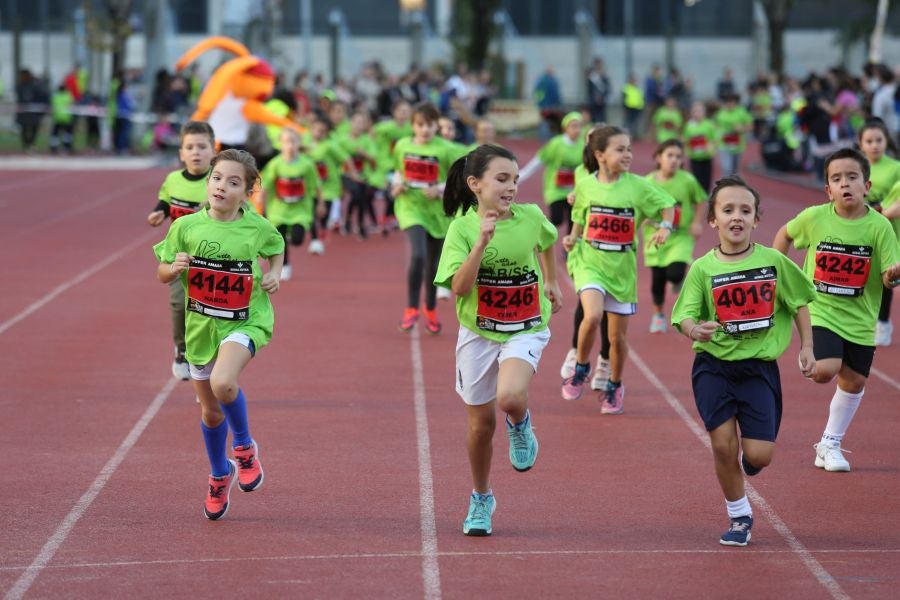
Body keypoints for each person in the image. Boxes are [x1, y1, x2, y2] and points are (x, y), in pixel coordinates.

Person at [672, 175, 816, 547]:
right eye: (728, 209)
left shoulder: (773, 261)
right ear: (713, 220)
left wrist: (807, 347)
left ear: (755, 220)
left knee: (758, 455)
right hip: (714, 366)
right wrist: (693, 330)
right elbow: (684, 314)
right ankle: (739, 516)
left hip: (758, 369)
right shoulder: (703, 268)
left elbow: (798, 302)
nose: (736, 217)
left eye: (745, 210)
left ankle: (751, 463)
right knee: (723, 444)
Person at [434, 144, 563, 536]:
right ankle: (481, 496)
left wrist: (553, 281)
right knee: (480, 427)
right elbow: (459, 288)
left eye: (515, 180)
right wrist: (480, 244)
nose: (512, 187)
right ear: (475, 184)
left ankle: (521, 422)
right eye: (502, 179)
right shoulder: (460, 228)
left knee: (509, 398)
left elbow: (546, 241)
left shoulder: (531, 216)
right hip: (478, 333)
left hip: (526, 325)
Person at [153, 149, 284, 521]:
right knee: (211, 414)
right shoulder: (187, 227)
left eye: (233, 182)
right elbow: (163, 272)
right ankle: (219, 473)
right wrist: (172, 266)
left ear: (247, 191)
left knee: (224, 382)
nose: (222, 186)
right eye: (216, 178)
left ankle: (244, 447)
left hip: (246, 320)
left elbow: (277, 249)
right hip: (201, 327)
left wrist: (274, 272)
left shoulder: (255, 227)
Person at [773, 148, 900, 472]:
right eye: (836, 179)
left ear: (867, 186)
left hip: (860, 317)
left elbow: (887, 276)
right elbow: (784, 235)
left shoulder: (880, 227)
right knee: (824, 370)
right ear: (828, 189)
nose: (845, 184)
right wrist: (779, 275)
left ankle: (829, 444)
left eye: (852, 177)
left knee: (855, 381)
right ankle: (815, 358)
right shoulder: (815, 218)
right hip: (821, 310)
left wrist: (892, 274)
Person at [560, 125, 675, 411]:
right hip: (590, 262)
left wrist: (666, 227)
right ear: (600, 154)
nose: (628, 155)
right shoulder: (586, 184)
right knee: (593, 314)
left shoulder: (637, 185)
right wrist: (574, 235)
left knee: (617, 338)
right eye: (620, 149)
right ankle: (581, 368)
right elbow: (579, 215)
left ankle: (614, 384)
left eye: (629, 149)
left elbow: (667, 205)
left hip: (622, 269)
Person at [147, 121, 217, 381]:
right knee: (179, 304)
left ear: (213, 150)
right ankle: (181, 348)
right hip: (178, 256)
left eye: (202, 146)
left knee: (207, 311)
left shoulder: (216, 181)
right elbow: (166, 199)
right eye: (190, 147)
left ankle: (207, 365)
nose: (196, 152)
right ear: (181, 153)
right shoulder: (173, 179)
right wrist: (159, 212)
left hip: (210, 258)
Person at [392, 102, 454, 334]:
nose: (425, 129)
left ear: (436, 126)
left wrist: (439, 188)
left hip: (437, 211)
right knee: (418, 255)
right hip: (410, 207)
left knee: (433, 265)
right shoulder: (402, 145)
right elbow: (398, 170)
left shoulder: (445, 149)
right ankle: (410, 309)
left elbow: (457, 179)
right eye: (420, 125)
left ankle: (431, 309)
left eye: (429, 125)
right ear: (413, 126)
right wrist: (397, 185)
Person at [644, 140, 707, 333]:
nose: (674, 160)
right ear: (658, 158)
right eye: (669, 155)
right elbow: (637, 204)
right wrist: (642, 218)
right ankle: (658, 314)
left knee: (675, 273)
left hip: (680, 236)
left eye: (678, 157)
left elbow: (701, 200)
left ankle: (678, 279)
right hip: (654, 237)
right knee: (657, 280)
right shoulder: (648, 182)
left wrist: (697, 222)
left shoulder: (687, 180)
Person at [856, 119, 900, 345]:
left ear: (886, 141)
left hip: (890, 232)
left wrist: (886, 212)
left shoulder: (895, 168)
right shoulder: (856, 168)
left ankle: (883, 323)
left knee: (887, 277)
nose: (874, 145)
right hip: (861, 232)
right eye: (869, 141)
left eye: (879, 140)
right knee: (862, 277)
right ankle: (867, 319)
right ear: (861, 144)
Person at [260, 127, 323, 281]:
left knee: (297, 239)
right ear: (280, 144)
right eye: (286, 142)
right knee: (281, 241)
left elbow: (316, 185)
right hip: (278, 210)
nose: (290, 146)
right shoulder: (275, 164)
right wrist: (262, 206)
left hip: (299, 211)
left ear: (299, 143)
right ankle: (285, 266)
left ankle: (292, 236)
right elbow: (266, 186)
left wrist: (321, 203)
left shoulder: (307, 165)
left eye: (293, 142)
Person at [518, 112, 585, 236]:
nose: (577, 130)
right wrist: (521, 175)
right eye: (574, 126)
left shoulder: (583, 146)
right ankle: (540, 233)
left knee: (574, 220)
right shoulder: (556, 144)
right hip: (555, 189)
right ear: (565, 128)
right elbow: (539, 161)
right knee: (557, 219)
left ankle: (569, 249)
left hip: (574, 190)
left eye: (579, 126)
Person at [683, 100, 717, 192]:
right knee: (696, 179)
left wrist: (711, 149)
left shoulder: (709, 124)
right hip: (694, 157)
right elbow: (686, 140)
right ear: (692, 112)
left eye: (700, 111)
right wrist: (687, 152)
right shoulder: (689, 126)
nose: (698, 113)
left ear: (704, 112)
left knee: (706, 180)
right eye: (695, 111)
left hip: (706, 157)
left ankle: (706, 198)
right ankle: (698, 198)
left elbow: (714, 140)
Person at [715, 93, 753, 175]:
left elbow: (750, 127)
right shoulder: (720, 113)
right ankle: (726, 186)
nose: (729, 104)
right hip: (724, 145)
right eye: (727, 102)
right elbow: (716, 128)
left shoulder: (741, 112)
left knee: (735, 170)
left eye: (731, 102)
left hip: (738, 145)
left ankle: (735, 186)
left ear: (735, 102)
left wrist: (742, 128)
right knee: (727, 168)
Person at [586, 58, 611, 123]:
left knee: (602, 119)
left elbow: (608, 89)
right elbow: (589, 89)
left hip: (602, 102)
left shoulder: (604, 76)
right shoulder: (592, 76)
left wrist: (602, 98)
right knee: (593, 119)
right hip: (593, 102)